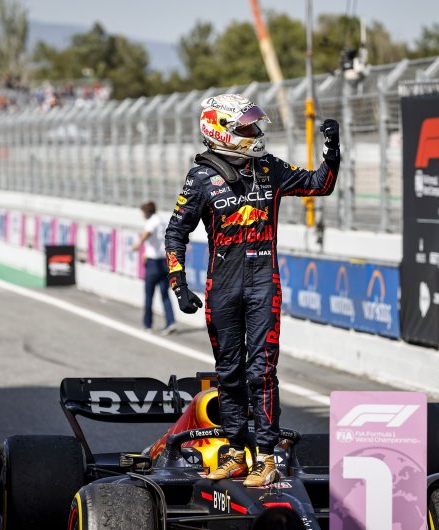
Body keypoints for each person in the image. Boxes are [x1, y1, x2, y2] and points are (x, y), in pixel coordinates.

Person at [164, 93, 340, 487]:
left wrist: (332, 152)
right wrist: (179, 284)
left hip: (264, 283)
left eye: (254, 124)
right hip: (222, 287)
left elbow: (320, 185)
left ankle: (265, 456)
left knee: (262, 371)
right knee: (229, 373)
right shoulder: (200, 178)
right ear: (220, 130)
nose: (255, 132)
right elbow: (176, 232)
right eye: (246, 127)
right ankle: (234, 452)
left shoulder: (270, 167)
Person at [133, 201, 177, 335]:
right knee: (165, 294)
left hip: (154, 263)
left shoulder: (151, 221)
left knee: (149, 294)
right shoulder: (162, 220)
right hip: (165, 261)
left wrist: (138, 243)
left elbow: (147, 233)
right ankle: (171, 322)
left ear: (146, 212)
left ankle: (147, 324)